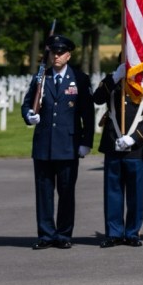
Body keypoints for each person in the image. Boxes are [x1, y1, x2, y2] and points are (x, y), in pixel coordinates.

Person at [21, 35, 95, 250]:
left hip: (68, 145)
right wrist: (29, 115)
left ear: (69, 55)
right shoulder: (40, 77)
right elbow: (27, 104)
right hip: (44, 144)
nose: (56, 55)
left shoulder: (79, 79)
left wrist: (86, 142)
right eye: (53, 52)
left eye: (61, 52)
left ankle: (63, 234)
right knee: (43, 193)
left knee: (66, 192)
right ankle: (45, 234)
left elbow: (87, 114)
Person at [93, 61, 143, 248]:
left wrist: (134, 139)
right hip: (112, 143)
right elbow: (97, 99)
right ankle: (114, 233)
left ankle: (132, 232)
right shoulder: (112, 82)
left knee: (135, 193)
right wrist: (115, 77)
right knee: (112, 191)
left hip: (135, 149)